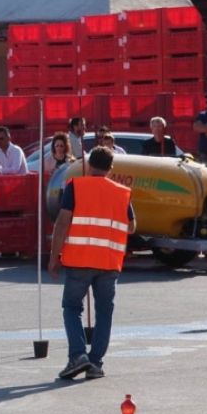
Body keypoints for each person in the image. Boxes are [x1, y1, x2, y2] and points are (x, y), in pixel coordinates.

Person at [49, 147, 136, 380]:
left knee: (72, 307)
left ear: (88, 165)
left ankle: (78, 356)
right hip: (109, 262)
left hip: (79, 260)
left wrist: (53, 258)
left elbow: (62, 223)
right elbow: (131, 226)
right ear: (111, 168)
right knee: (104, 312)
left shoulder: (75, 187)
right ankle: (95, 362)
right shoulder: (122, 193)